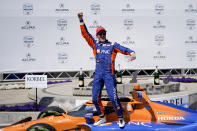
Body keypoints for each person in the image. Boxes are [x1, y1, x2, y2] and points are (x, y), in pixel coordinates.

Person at [77, 12, 136, 128]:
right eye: (100, 34)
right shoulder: (94, 44)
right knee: (95, 98)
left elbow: (123, 49)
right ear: (97, 35)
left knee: (113, 98)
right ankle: (102, 117)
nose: (103, 35)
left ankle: (120, 118)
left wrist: (132, 53)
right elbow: (85, 34)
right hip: (98, 75)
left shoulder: (112, 45)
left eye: (104, 33)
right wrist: (81, 20)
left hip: (109, 75)